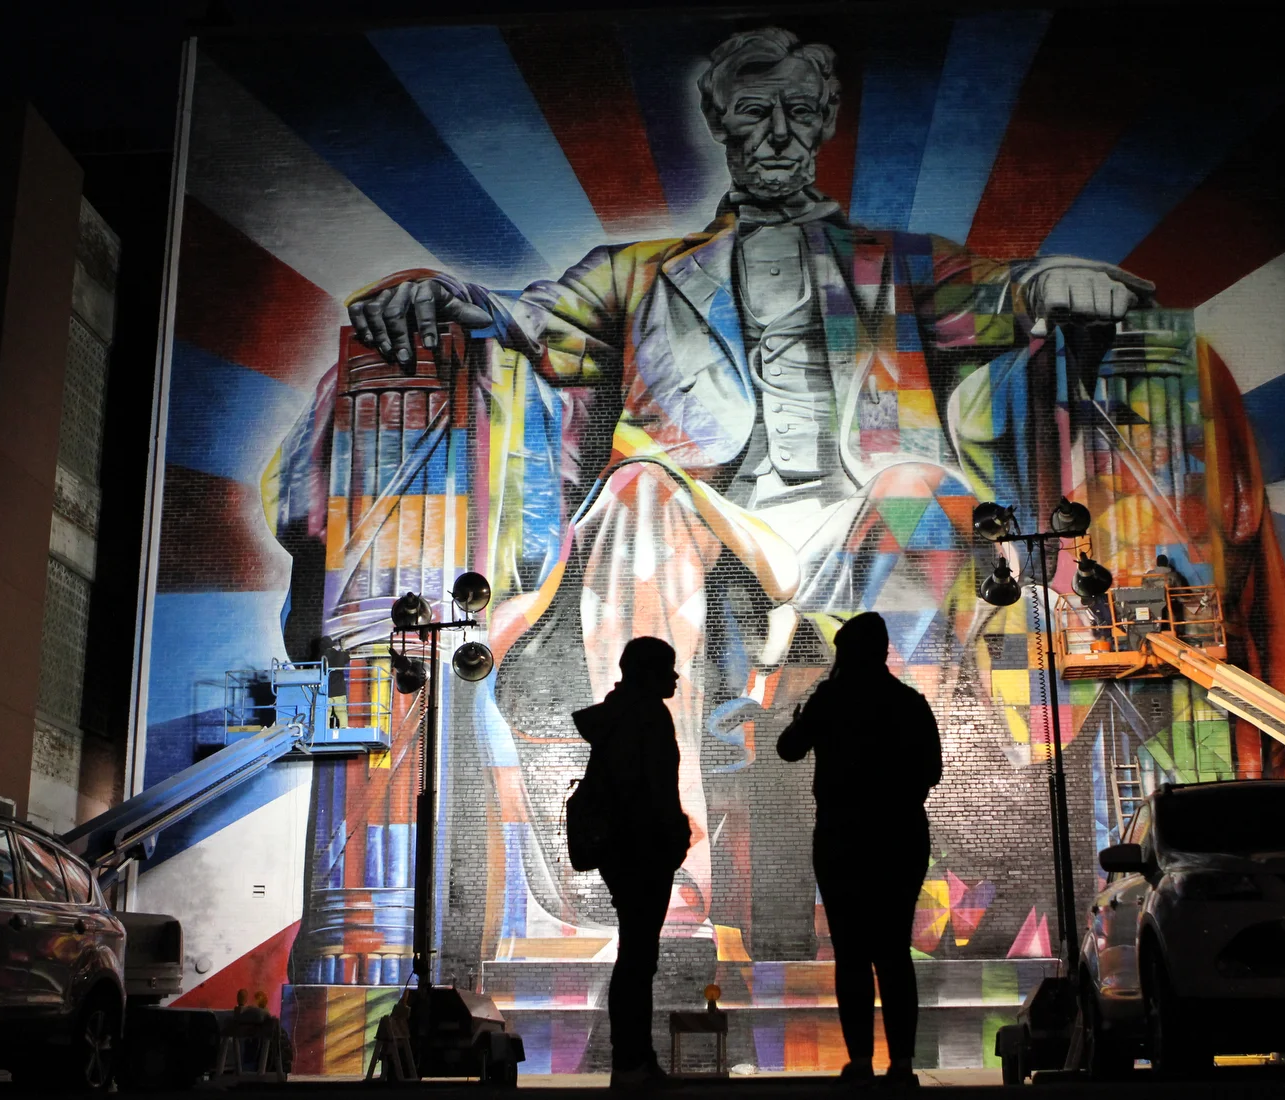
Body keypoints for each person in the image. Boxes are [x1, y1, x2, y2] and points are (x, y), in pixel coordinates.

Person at [329, 25, 1153, 937]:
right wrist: (445, 295)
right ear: (722, 122)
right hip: (715, 515)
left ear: (825, 124)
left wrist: (1058, 281)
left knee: (919, 480)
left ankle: (924, 849)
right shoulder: (637, 275)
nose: (777, 136)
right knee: (639, 486)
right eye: (755, 114)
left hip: (860, 514)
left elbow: (1008, 295)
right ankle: (671, 846)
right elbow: (527, 321)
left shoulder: (906, 266)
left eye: (799, 114)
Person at [776, 613, 942, 1085]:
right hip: (900, 837)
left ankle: (860, 1062)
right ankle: (903, 1064)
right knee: (893, 951)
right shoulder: (909, 702)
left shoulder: (831, 698)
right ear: (884, 650)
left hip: (841, 838)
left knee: (850, 953)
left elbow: (788, 749)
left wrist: (802, 718)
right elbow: (932, 770)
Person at [572, 637, 694, 1085]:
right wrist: (675, 836)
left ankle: (633, 1058)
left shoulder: (617, 715)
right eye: (668, 669)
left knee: (635, 956)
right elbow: (655, 791)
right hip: (645, 851)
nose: (675, 677)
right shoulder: (649, 718)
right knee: (639, 960)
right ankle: (632, 1061)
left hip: (622, 852)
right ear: (648, 673)